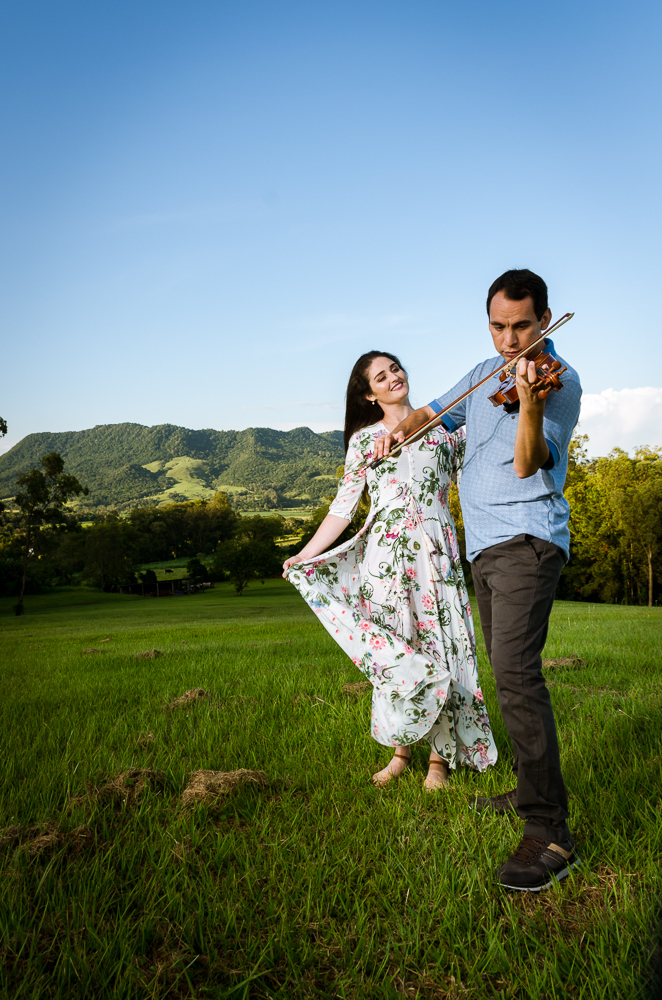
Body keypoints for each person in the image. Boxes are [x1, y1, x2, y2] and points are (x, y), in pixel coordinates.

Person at [373, 269, 582, 891]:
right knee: (504, 669)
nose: (510, 341)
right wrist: (396, 432)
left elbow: (526, 464)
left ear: (543, 319)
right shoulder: (483, 373)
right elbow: (433, 413)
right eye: (498, 327)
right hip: (485, 548)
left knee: (518, 676)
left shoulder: (558, 380)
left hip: (529, 539)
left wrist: (532, 402)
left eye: (521, 326)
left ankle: (550, 834)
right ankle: (527, 792)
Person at [283, 350, 497, 790]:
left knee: (442, 644)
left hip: (437, 550)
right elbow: (343, 508)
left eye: (395, 368)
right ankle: (401, 751)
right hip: (385, 554)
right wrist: (305, 554)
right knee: (397, 647)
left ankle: (439, 759)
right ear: (369, 393)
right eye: (381, 376)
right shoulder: (364, 441)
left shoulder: (445, 431)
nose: (393, 377)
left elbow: (478, 477)